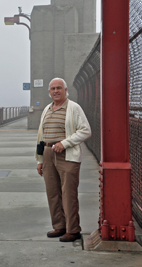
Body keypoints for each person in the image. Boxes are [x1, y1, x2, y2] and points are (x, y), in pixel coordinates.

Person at [35, 77, 91, 242]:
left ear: (66, 91)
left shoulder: (73, 108)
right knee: (52, 193)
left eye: (59, 88)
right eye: (53, 89)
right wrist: (39, 160)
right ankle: (59, 226)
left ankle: (73, 230)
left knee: (68, 194)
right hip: (47, 153)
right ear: (49, 92)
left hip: (67, 155)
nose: (56, 91)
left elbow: (85, 131)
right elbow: (40, 136)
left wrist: (65, 143)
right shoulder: (47, 109)